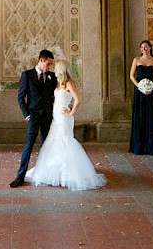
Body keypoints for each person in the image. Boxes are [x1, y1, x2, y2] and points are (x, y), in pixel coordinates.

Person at [26, 60, 106, 191]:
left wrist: (71, 111)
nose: (54, 69)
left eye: (56, 68)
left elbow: (78, 100)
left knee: (65, 141)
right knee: (53, 141)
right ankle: (55, 172)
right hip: (56, 117)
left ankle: (67, 174)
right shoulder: (57, 82)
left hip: (64, 118)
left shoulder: (69, 83)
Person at [10, 49, 56, 188]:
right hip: (34, 116)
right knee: (29, 145)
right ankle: (20, 175)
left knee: (45, 146)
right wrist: (26, 114)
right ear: (41, 60)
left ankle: (44, 174)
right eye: (48, 64)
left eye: (51, 65)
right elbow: (20, 97)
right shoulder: (27, 75)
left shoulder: (52, 77)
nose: (49, 67)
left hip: (48, 116)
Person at [128, 40, 153, 155]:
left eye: (146, 47)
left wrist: (152, 87)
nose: (144, 49)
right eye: (142, 47)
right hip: (139, 92)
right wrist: (140, 87)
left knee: (150, 117)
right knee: (140, 115)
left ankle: (151, 146)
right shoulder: (136, 60)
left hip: (151, 93)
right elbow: (131, 76)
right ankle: (139, 146)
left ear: (150, 48)